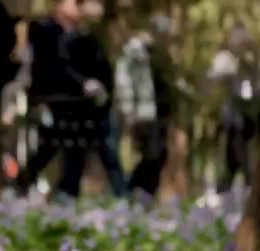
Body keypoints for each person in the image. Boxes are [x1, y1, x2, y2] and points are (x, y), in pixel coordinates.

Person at [16, 0, 104, 201]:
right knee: (48, 145)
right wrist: (82, 83)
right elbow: (52, 67)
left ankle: (67, 192)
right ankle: (23, 182)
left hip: (76, 102)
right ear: (58, 6)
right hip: (50, 98)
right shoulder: (44, 30)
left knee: (76, 148)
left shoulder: (77, 35)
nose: (76, 8)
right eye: (72, 3)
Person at [115, 12, 176, 201]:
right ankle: (133, 190)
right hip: (142, 112)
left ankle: (147, 194)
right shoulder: (136, 49)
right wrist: (128, 110)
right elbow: (124, 79)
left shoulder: (162, 53)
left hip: (160, 112)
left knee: (161, 155)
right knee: (151, 153)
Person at [71, 0, 127, 198]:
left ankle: (123, 198)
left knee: (110, 156)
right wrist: (85, 84)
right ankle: (66, 196)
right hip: (80, 108)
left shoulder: (105, 35)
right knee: (75, 159)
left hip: (102, 107)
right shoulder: (73, 38)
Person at [207, 22, 260, 194]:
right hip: (231, 117)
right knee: (234, 156)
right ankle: (239, 187)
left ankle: (240, 188)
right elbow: (213, 78)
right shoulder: (225, 59)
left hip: (248, 116)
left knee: (239, 158)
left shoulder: (254, 61)